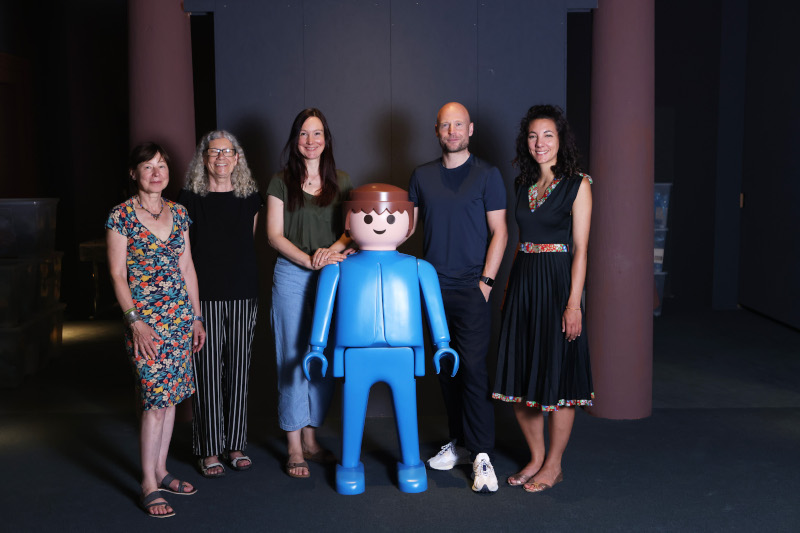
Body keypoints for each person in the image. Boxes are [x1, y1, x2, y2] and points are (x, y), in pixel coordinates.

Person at [303, 184, 459, 495]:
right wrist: (316, 348)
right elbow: (323, 311)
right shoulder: (336, 268)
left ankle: (411, 463)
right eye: (368, 217)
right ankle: (349, 466)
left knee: (406, 410)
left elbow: (434, 308)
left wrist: (443, 344)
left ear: (408, 223)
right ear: (349, 221)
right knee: (353, 410)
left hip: (402, 353)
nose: (379, 223)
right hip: (355, 354)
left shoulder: (419, 268)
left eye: (390, 219)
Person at [492, 104, 594, 493]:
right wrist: (508, 291)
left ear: (560, 140)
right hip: (523, 286)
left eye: (548, 135)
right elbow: (520, 243)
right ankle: (535, 457)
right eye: (533, 136)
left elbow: (581, 249)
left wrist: (574, 303)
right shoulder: (522, 185)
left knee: (559, 377)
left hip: (557, 286)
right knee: (522, 376)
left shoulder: (578, 183)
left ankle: (554, 464)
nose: (540, 143)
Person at [408, 102, 508, 493]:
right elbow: (400, 228)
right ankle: (458, 443)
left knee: (474, 370)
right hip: (431, 291)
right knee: (446, 370)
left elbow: (500, 231)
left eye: (458, 125)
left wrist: (485, 283)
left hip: (471, 288)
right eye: (445, 125)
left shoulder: (488, 175)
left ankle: (482, 453)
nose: (452, 131)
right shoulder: (421, 176)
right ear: (436, 131)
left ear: (470, 130)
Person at [106, 142, 206, 518]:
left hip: (180, 320)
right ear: (134, 173)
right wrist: (135, 322)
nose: (156, 172)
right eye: (147, 167)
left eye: (161, 166)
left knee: (169, 402)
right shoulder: (121, 216)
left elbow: (188, 268)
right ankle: (148, 483)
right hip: (145, 323)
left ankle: (162, 471)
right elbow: (117, 274)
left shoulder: (179, 213)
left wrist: (196, 317)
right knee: (154, 402)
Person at [266, 108, 353, 479]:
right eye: (304, 134)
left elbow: (352, 231)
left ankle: (313, 439)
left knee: (324, 357)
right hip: (291, 274)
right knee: (291, 356)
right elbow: (273, 234)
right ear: (295, 139)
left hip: (331, 275)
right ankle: (294, 447)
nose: (311, 141)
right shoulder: (280, 181)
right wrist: (308, 260)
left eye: (317, 134)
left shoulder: (343, 182)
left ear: (327, 139)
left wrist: (328, 255)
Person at [179, 131, 264, 477]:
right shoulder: (188, 199)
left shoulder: (250, 197)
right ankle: (209, 449)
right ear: (204, 159)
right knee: (208, 373)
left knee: (239, 371)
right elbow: (185, 254)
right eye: (214, 153)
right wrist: (194, 309)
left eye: (228, 152)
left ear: (237, 158)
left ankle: (236, 445)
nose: (221, 158)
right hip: (205, 296)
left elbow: (248, 244)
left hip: (244, 291)